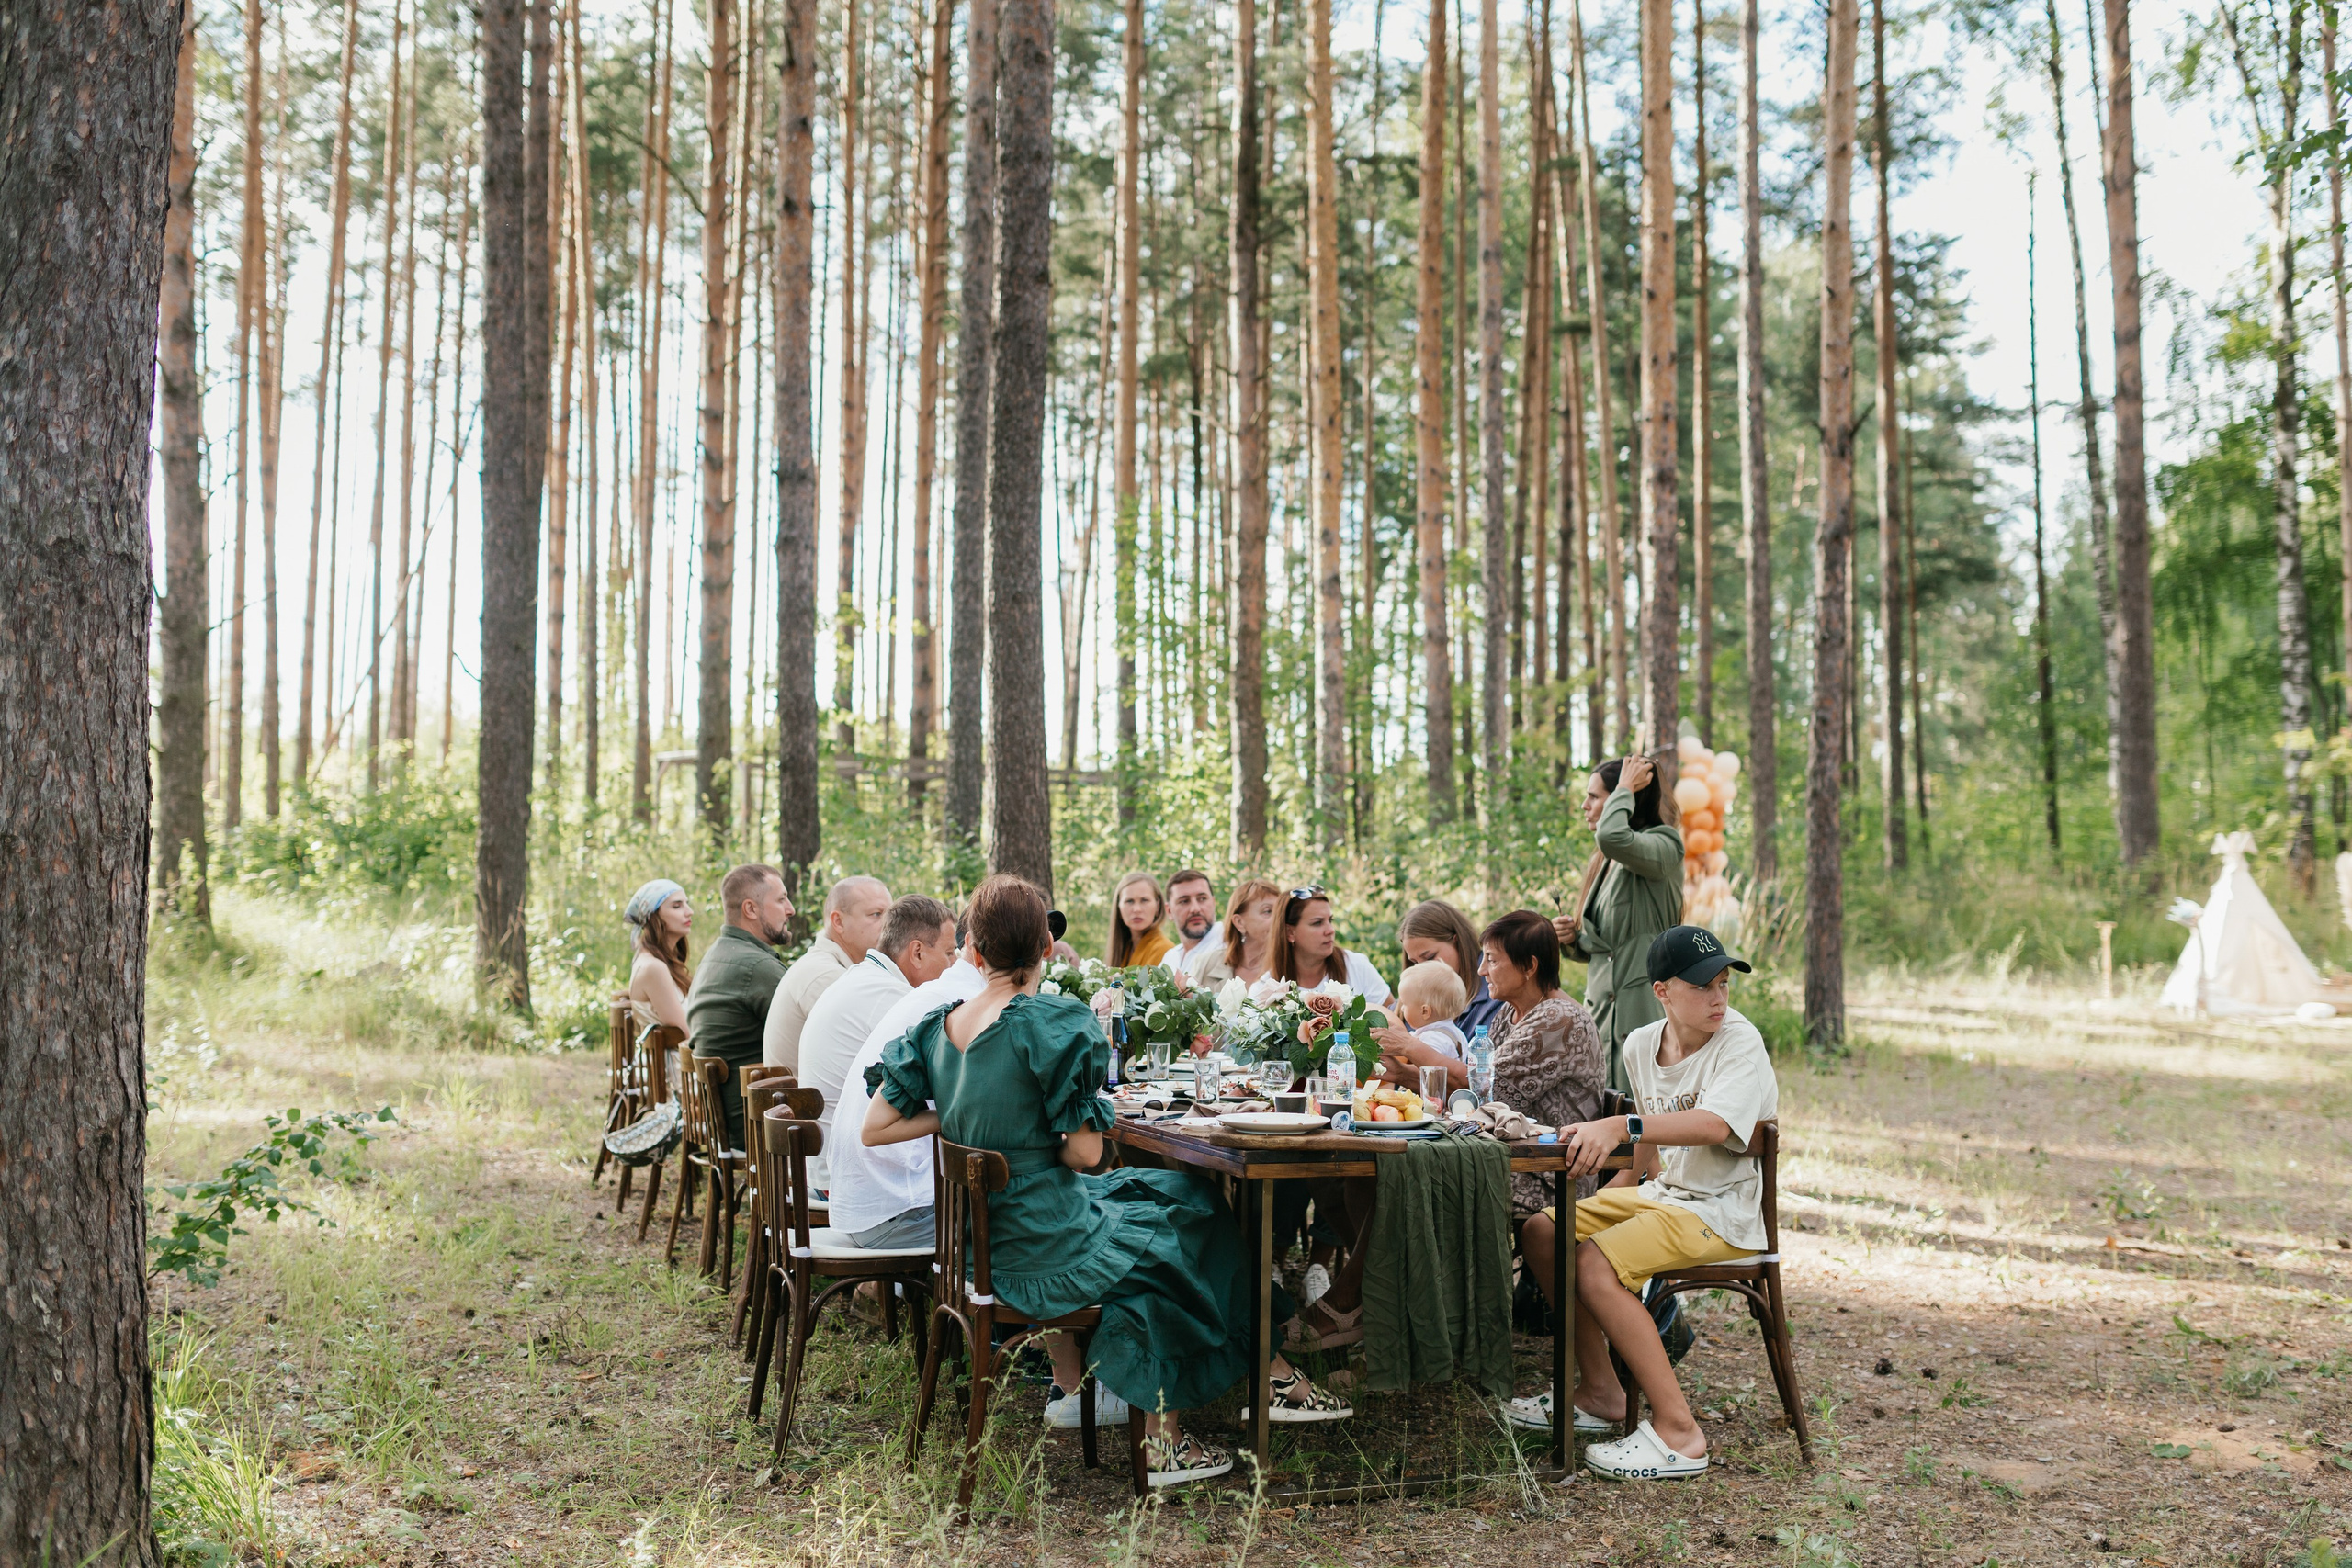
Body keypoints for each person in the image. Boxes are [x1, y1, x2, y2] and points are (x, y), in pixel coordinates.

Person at [862, 874, 1351, 1488]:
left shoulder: (940, 1026)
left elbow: (876, 1124)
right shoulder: (1049, 1023)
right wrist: (1039, 1122)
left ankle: (1251, 1380)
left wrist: (975, 1121)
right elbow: (1086, 1154)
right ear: (1046, 948)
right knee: (1186, 1227)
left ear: (975, 952)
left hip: (982, 1241)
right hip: (1046, 1241)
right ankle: (1185, 1428)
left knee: (1179, 1197)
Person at [1507, 925, 1776, 1482]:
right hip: (1662, 1198)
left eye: (1724, 984)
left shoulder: (1740, 1041)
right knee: (1541, 1230)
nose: (1718, 998)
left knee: (1592, 1262)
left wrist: (1621, 1125)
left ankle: (1681, 1432)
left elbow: (1714, 1124)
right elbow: (1649, 1146)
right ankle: (1601, 1390)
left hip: (1721, 1212)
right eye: (1703, 986)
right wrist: (1614, 1193)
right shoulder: (1639, 1044)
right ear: (1662, 992)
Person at [1301, 912, 1601, 1352]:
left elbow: (1491, 1085)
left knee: (1406, 1183)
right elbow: (1475, 1092)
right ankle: (1384, 1306)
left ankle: (1355, 1305)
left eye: (1492, 961)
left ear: (1530, 966)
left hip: (1545, 1171)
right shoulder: (1511, 1015)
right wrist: (1397, 1069)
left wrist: (1409, 1047)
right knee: (1364, 1179)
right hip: (1497, 1154)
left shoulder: (1558, 1018)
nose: (1481, 971)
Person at [827, 928, 986, 1254]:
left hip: (860, 1207)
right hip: (893, 1217)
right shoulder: (963, 1006)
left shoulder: (932, 992)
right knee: (1025, 1219)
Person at [793, 896, 959, 1192]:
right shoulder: (893, 998)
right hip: (846, 1182)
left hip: (827, 1165)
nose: (954, 964)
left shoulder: (863, 978)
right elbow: (947, 1087)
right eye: (949, 953)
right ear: (917, 953)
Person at [1553, 752, 1683, 1095]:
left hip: (1640, 1010)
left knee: (1641, 1121)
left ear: (1627, 799)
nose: (1584, 805)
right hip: (1601, 1018)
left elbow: (1611, 835)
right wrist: (1572, 940)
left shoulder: (1664, 844)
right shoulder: (1607, 861)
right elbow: (1606, 948)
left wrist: (1625, 785)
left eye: (1594, 796)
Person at [687, 864, 797, 1146]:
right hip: (753, 1126)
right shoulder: (757, 967)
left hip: (723, 1121)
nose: (791, 909)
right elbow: (812, 1039)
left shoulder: (715, 954)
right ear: (751, 909)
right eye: (781, 899)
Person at [763, 875, 891, 1070]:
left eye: (890, 915)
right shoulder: (824, 975)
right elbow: (880, 1047)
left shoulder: (832, 967)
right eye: (876, 914)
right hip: (805, 1100)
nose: (888, 925)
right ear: (838, 921)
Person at [1267, 886, 1393, 1005]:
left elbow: (1393, 1017)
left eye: (1330, 920)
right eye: (1317, 923)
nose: (1330, 930)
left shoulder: (1356, 966)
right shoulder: (1266, 988)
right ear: (1290, 933)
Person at [1183, 877, 1282, 987]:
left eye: (1280, 911)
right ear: (1239, 922)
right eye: (1267, 911)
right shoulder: (1207, 963)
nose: (1278, 919)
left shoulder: (1289, 966)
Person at [623, 879, 693, 1032]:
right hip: (674, 1056)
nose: (689, 911)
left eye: (687, 904)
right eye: (677, 906)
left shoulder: (658, 961)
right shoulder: (654, 967)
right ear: (654, 916)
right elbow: (685, 1033)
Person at [1393, 961, 1470, 1062]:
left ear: (1425, 1012)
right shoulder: (1458, 1033)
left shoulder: (1431, 1040)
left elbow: (1426, 1071)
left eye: (1404, 1004)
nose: (1402, 1008)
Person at [1106, 872, 1173, 968]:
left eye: (1144, 900)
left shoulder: (1164, 949)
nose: (1137, 909)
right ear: (1119, 907)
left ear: (1157, 906)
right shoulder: (1124, 948)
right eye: (1129, 901)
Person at [1163, 869, 1222, 973]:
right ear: (1169, 911)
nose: (1195, 909)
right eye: (1184, 901)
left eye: (1202, 899)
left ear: (1213, 903)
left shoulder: (1230, 943)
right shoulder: (1170, 958)